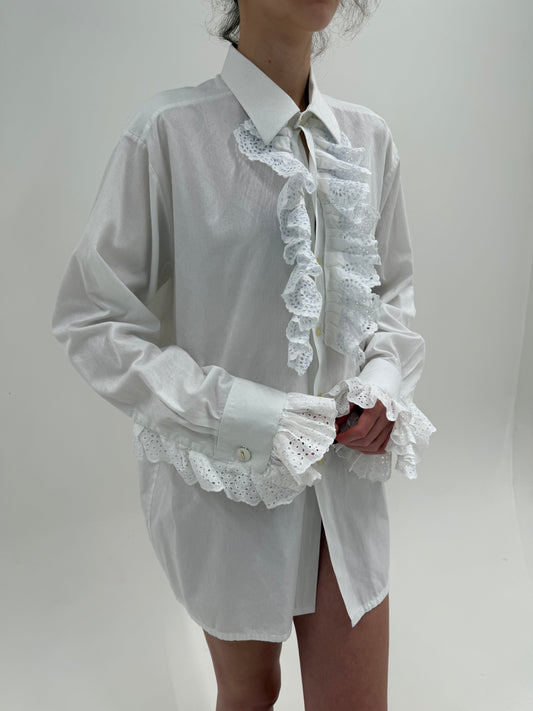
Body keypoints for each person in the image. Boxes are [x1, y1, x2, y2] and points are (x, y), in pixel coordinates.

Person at [51, 0, 436, 708]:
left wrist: (383, 381)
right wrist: (245, 413)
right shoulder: (169, 134)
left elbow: (389, 294)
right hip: (227, 485)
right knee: (249, 694)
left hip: (344, 482)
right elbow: (94, 316)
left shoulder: (367, 138)